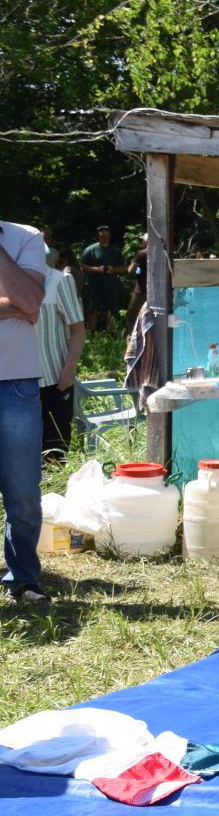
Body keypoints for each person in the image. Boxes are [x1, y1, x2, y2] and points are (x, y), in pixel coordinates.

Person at [1, 219, 48, 605]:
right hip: (18, 383)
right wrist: (11, 307)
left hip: (16, 382)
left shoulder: (25, 237)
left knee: (23, 493)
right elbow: (23, 305)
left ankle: (24, 579)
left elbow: (31, 303)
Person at [34, 252, 86, 459]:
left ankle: (53, 490)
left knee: (54, 447)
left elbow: (78, 329)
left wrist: (70, 368)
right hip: (13, 381)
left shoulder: (58, 280)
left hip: (54, 377)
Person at [78, 226, 123, 333]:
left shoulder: (115, 251)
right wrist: (95, 269)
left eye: (107, 236)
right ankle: (91, 332)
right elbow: (82, 267)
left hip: (111, 285)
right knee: (92, 309)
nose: (105, 238)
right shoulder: (90, 250)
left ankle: (112, 332)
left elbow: (123, 268)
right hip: (94, 285)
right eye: (102, 236)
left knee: (111, 309)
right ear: (98, 236)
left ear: (110, 236)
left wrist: (114, 269)